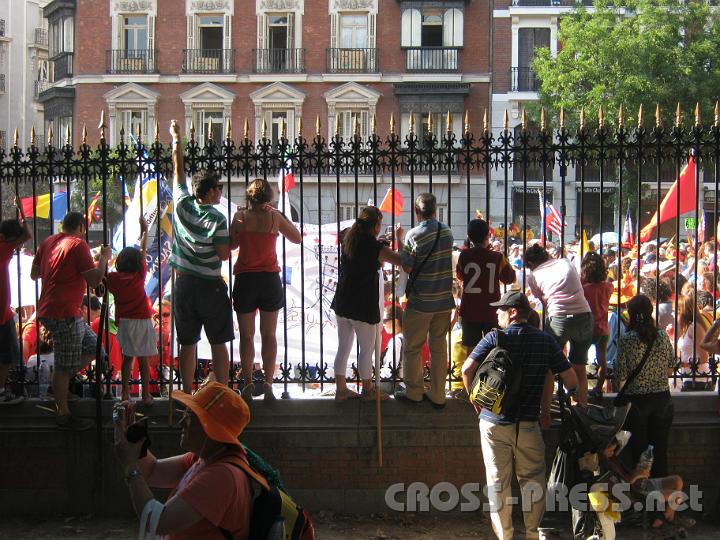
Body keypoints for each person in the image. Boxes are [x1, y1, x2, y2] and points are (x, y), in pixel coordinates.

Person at [461, 290, 578, 540]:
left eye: (501, 310)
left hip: (493, 423)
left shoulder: (495, 337)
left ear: (512, 312)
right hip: (527, 424)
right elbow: (570, 378)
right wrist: (574, 396)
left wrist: (476, 400)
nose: (497, 313)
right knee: (533, 482)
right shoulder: (545, 341)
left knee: (497, 483)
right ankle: (533, 535)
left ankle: (505, 536)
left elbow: (466, 368)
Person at [114, 382, 252, 539]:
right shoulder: (203, 458)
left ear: (210, 428)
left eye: (189, 416)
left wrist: (131, 466)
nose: (181, 422)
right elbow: (152, 471)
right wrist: (131, 436)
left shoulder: (222, 475)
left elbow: (158, 523)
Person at [168, 120, 233, 393]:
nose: (221, 191)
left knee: (187, 341)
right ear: (208, 191)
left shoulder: (182, 204)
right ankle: (222, 389)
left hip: (182, 284)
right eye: (218, 188)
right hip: (209, 286)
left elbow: (178, 171)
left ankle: (185, 390)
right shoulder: (217, 219)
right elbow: (223, 254)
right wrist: (234, 241)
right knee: (218, 341)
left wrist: (176, 139)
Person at [31, 211, 110, 430]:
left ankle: (60, 387)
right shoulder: (78, 244)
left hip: (55, 310)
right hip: (63, 312)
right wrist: (103, 258)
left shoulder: (47, 242)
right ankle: (63, 413)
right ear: (81, 228)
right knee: (64, 367)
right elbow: (95, 280)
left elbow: (34, 274)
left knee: (95, 349)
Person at [230, 178, 301, 402]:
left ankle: (249, 384)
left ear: (249, 197)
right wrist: (279, 215)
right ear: (269, 197)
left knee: (246, 336)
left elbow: (231, 245)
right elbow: (297, 238)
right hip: (269, 279)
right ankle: (269, 385)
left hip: (245, 279)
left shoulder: (240, 217)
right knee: (269, 335)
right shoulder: (274, 216)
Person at [331, 206, 404, 401]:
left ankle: (341, 389)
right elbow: (403, 261)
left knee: (343, 347)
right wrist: (399, 239)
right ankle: (368, 390)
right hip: (362, 303)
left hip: (343, 300)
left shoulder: (349, 239)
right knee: (367, 349)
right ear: (376, 226)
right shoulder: (375, 248)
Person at [524, 243, 593, 407]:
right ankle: (582, 409)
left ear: (531, 264)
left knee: (549, 368)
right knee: (580, 367)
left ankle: (546, 412)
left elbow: (543, 301)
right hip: (584, 316)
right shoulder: (565, 262)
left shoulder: (533, 275)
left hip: (559, 319)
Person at [616, 294, 674, 478]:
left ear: (631, 315)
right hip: (662, 400)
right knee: (660, 452)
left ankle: (642, 497)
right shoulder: (663, 336)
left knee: (639, 455)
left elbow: (620, 375)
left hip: (637, 403)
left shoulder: (626, 340)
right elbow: (671, 369)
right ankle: (661, 497)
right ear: (650, 313)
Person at [106, 218, 157, 404]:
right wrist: (144, 232)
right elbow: (143, 252)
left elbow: (101, 277)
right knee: (143, 359)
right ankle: (145, 395)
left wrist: (105, 257)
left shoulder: (113, 278)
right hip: (142, 320)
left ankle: (125, 393)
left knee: (127, 359)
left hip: (125, 322)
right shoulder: (139, 275)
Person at [456, 219, 516, 349]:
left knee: (472, 350)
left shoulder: (464, 256)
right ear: (487, 236)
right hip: (491, 310)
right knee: (494, 348)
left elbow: (460, 276)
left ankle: (472, 370)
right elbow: (510, 278)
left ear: (470, 237)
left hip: (470, 309)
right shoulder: (497, 257)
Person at [0, 198, 31, 405]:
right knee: (8, 355)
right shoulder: (3, 248)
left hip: (5, 312)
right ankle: (1, 391)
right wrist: (21, 210)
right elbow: (27, 235)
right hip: (2, 313)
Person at [581, 252, 613, 398]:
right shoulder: (608, 286)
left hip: (588, 328)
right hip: (604, 328)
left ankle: (579, 389)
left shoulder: (585, 289)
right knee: (602, 360)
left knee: (579, 360)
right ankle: (599, 388)